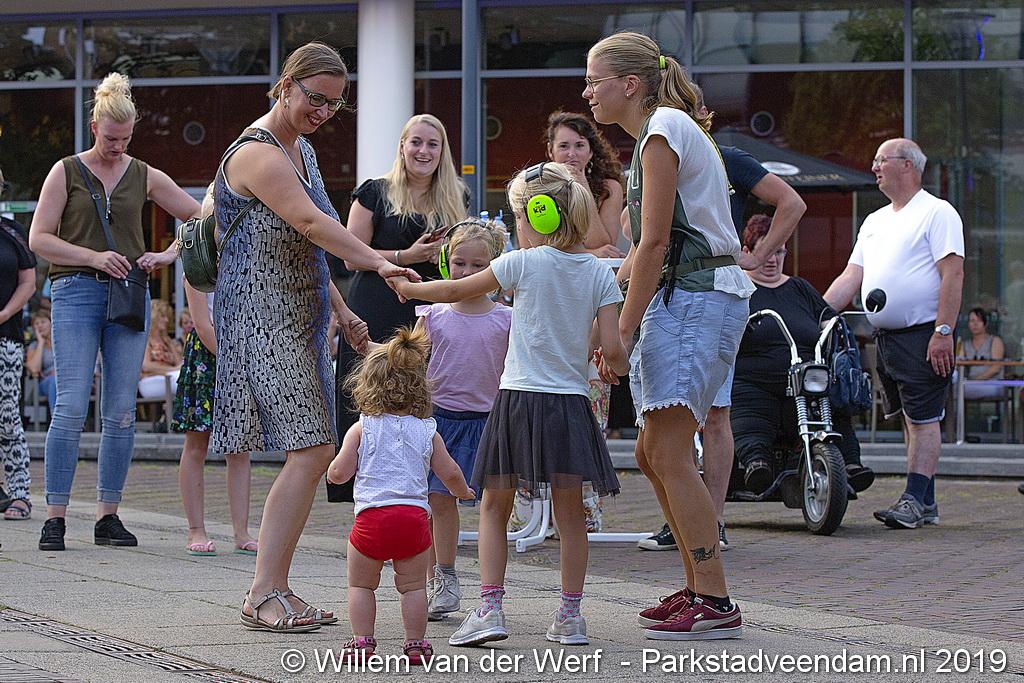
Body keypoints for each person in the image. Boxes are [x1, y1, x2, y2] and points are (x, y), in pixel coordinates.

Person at [217, 42, 416, 634]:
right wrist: (379, 262)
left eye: (334, 104)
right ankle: (262, 591)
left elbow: (308, 243)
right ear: (286, 85)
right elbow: (311, 223)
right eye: (316, 98)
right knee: (311, 449)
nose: (324, 112)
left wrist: (343, 312)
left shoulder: (300, 149)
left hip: (300, 316)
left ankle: (276, 587)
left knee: (316, 449)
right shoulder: (257, 153)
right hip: (261, 318)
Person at [389, 162, 629, 647]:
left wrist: (409, 288)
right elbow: (614, 352)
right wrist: (608, 362)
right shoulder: (599, 275)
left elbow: (454, 290)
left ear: (537, 216)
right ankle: (570, 616)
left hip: (517, 399)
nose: (518, 225)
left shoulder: (523, 262)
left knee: (494, 507)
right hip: (569, 406)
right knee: (570, 515)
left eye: (519, 216)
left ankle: (490, 609)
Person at [587, 33, 751, 639]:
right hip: (692, 296)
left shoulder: (662, 130)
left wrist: (621, 329)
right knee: (652, 452)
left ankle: (714, 597)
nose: (587, 92)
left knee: (669, 452)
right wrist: (603, 308)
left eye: (594, 80)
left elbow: (654, 243)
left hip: (696, 297)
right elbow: (639, 250)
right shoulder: (661, 133)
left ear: (630, 84)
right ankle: (698, 585)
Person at [30, 73, 199, 551]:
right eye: (110, 139)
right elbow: (39, 238)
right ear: (94, 127)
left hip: (127, 295)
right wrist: (93, 256)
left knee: (121, 410)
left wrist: (167, 255)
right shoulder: (66, 171)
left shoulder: (142, 173)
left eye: (125, 139)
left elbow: (201, 217)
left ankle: (108, 514)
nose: (117, 147)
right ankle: (55, 516)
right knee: (70, 404)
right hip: (75, 292)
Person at [637, 81, 806, 553]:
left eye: (687, 109)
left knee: (714, 414)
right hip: (679, 290)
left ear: (702, 113)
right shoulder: (660, 155)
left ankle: (712, 520)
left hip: (708, 291)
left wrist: (757, 256)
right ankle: (688, 523)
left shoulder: (724, 157)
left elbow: (792, 202)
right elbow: (645, 234)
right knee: (665, 424)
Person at [825, 138, 964, 530]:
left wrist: (943, 331)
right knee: (908, 418)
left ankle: (913, 500)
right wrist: (816, 313)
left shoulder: (937, 212)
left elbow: (953, 273)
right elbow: (852, 275)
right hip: (886, 338)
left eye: (881, 160)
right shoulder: (874, 220)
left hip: (923, 334)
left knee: (923, 420)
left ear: (908, 165)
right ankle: (926, 501)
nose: (874, 167)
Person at [327, 326, 475, 664]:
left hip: (372, 520)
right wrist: (463, 491)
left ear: (367, 385)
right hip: (413, 521)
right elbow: (450, 472)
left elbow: (340, 473)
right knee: (412, 587)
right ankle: (415, 644)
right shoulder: (427, 430)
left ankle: (362, 642)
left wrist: (331, 471)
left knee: (361, 586)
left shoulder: (362, 427)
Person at [335, 113, 469, 487]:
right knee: (373, 388)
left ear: (442, 151)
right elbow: (349, 255)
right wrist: (405, 256)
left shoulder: (457, 195)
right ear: (402, 146)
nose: (423, 151)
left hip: (429, 305)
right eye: (416, 142)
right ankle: (361, 484)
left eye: (432, 144)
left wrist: (447, 255)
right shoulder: (374, 192)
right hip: (377, 302)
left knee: (424, 389)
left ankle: (425, 482)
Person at [732, 214, 874, 494]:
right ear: (747, 252)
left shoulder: (799, 288)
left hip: (804, 377)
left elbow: (827, 318)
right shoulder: (738, 289)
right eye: (766, 251)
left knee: (829, 398)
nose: (773, 259)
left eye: (779, 252)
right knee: (750, 404)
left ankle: (847, 463)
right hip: (755, 379)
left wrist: (834, 326)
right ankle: (756, 461)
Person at [414, 219, 511, 621]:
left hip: (489, 422)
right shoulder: (433, 314)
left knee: (493, 504)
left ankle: (491, 589)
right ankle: (443, 578)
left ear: (495, 268)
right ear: (445, 262)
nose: (467, 272)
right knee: (437, 501)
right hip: (441, 422)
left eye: (478, 265)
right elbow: (411, 365)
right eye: (459, 263)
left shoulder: (507, 318)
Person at [173, 187, 257, 556]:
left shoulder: (248, 260)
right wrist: (231, 359)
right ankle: (196, 528)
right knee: (197, 442)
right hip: (210, 357)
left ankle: (241, 530)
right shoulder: (197, 265)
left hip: (239, 352)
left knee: (239, 446)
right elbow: (202, 325)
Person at [0, 166, 37, 521]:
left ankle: (19, 492)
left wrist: (5, 312)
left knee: (7, 417)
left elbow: (28, 281)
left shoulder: (11, 232)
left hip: (5, 338)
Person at [544, 111, 625, 258]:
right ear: (551, 150)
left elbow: (602, 246)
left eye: (579, 145)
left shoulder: (610, 188)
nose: (571, 154)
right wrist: (589, 253)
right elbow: (534, 247)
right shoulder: (539, 186)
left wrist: (582, 186)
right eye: (563, 146)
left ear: (591, 151)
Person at [958, 307, 1006, 399]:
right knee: (953, 388)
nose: (975, 324)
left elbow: (996, 368)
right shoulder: (965, 344)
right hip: (969, 383)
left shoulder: (995, 341)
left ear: (985, 323)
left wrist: (975, 380)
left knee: (957, 391)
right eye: (972, 321)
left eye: (979, 321)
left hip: (991, 383)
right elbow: (959, 364)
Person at [138, 299, 181, 399]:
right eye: (163, 316)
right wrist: (172, 370)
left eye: (167, 317)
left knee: (183, 377)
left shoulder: (167, 340)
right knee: (180, 379)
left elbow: (179, 364)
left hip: (169, 377)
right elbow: (146, 366)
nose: (167, 320)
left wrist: (170, 345)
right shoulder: (146, 340)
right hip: (149, 381)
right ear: (154, 317)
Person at [26, 311, 56, 410]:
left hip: (65, 379)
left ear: (51, 323)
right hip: (46, 382)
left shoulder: (60, 342)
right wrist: (41, 342)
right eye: (36, 324)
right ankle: (56, 417)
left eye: (43, 322)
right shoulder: (34, 346)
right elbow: (34, 369)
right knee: (53, 382)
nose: (40, 326)